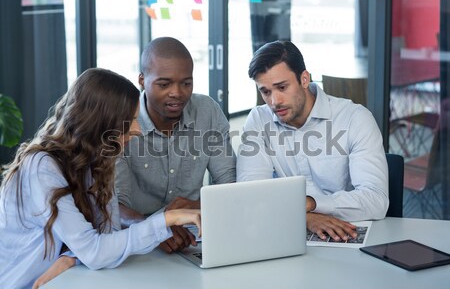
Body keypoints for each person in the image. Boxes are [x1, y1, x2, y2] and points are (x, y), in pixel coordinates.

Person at [0, 68, 201, 289]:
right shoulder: (41, 167)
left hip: (67, 280)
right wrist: (167, 218)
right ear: (101, 123)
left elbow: (108, 237)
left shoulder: (97, 160)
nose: (137, 130)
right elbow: (95, 251)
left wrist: (73, 258)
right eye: (129, 121)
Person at [237, 41, 388, 241]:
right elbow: (251, 196)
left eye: (282, 87)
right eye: (265, 92)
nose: (274, 101)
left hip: (349, 231)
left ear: (304, 79)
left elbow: (376, 200)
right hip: (286, 231)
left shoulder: (354, 118)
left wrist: (310, 204)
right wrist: (305, 218)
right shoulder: (259, 119)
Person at [115, 37, 235, 253]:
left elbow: (231, 187)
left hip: (195, 237)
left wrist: (195, 207)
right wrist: (154, 229)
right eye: (164, 84)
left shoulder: (207, 111)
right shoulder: (122, 121)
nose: (177, 93)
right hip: (137, 239)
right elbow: (114, 207)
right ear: (142, 80)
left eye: (186, 83)